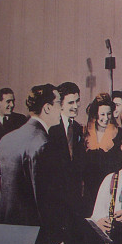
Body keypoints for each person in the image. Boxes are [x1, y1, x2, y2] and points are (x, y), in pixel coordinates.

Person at [0, 84, 66, 244]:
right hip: (32, 235)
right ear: (47, 108)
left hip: (3, 228)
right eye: (59, 103)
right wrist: (57, 239)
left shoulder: (8, 138)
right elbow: (45, 198)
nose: (61, 109)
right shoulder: (44, 144)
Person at [48, 82, 85, 220]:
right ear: (61, 105)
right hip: (55, 197)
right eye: (70, 102)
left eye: (77, 101)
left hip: (74, 197)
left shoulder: (78, 128)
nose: (75, 106)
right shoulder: (51, 128)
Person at [82, 93, 122, 217]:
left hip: (110, 189)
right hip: (89, 191)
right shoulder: (84, 134)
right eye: (102, 114)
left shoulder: (118, 134)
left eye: (109, 114)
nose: (106, 118)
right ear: (96, 114)